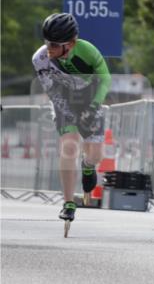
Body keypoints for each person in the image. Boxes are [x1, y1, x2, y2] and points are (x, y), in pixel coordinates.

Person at [31, 13, 112, 222]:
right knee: (69, 146)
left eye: (55, 45)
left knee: (96, 155)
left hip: (90, 98)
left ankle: (87, 165)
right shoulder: (40, 59)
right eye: (47, 43)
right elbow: (52, 92)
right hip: (64, 100)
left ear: (72, 43)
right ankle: (68, 203)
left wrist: (92, 108)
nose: (50, 49)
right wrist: (72, 116)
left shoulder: (88, 51)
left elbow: (105, 79)